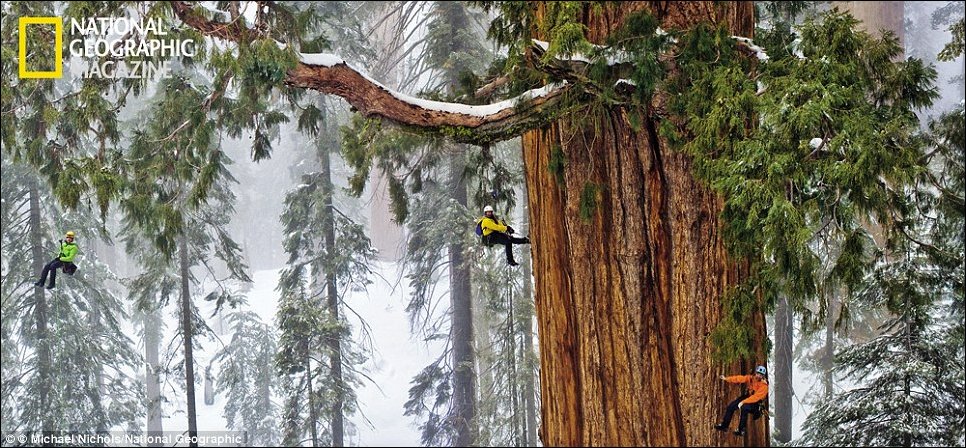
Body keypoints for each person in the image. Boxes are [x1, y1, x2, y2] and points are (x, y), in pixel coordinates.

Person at [714, 365, 769, 437]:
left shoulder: (764, 386)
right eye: (758, 373)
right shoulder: (751, 378)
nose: (758, 376)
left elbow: (756, 397)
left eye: (761, 375)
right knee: (731, 406)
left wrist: (743, 402)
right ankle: (724, 426)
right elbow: (739, 378)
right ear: (755, 373)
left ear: (763, 376)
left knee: (744, 408)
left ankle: (741, 430)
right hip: (748, 397)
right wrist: (726, 379)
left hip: (756, 404)